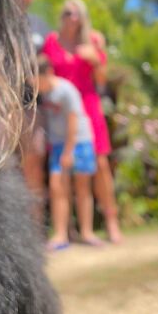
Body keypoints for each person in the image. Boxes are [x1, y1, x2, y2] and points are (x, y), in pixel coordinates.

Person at [41, 0, 123, 243]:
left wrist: (96, 59)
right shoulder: (52, 42)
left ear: (83, 17)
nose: (72, 18)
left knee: (100, 165)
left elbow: (101, 81)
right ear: (61, 15)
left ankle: (111, 221)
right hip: (60, 111)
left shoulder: (92, 41)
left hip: (88, 107)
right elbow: (46, 75)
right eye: (68, 13)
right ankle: (67, 230)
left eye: (77, 14)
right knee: (62, 168)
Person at [37, 55, 102, 250]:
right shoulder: (43, 93)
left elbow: (74, 121)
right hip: (58, 144)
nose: (32, 83)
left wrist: (69, 151)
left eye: (34, 78)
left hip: (79, 141)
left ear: (47, 73)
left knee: (82, 188)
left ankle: (87, 233)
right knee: (57, 187)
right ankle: (60, 235)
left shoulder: (66, 90)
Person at [16, 0, 49, 211]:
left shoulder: (38, 25)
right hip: (1, 106)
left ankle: (36, 230)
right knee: (4, 166)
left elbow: (51, 59)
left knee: (34, 161)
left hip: (33, 104)